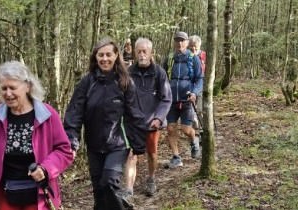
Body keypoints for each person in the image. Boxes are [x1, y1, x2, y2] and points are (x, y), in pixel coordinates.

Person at [0, 61, 74, 210]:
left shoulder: (47, 115)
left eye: (13, 88)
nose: (8, 93)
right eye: (4, 88)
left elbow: (64, 151)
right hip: (5, 191)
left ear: (27, 87)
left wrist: (45, 169)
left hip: (39, 193)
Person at [64, 37, 147, 210]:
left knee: (109, 182)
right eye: (100, 55)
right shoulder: (87, 83)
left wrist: (138, 145)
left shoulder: (125, 82)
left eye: (108, 54)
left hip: (118, 143)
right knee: (99, 192)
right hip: (94, 145)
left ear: (116, 55)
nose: (104, 59)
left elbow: (135, 113)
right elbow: (74, 112)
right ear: (95, 57)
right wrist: (72, 139)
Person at [122, 38, 172, 197]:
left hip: (152, 122)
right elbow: (121, 95)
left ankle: (151, 178)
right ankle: (128, 189)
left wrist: (158, 118)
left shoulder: (159, 73)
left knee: (151, 153)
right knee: (131, 154)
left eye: (145, 51)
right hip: (132, 122)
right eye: (139, 51)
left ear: (151, 53)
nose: (142, 55)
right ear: (135, 53)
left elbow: (166, 98)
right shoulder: (128, 73)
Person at [163, 31, 203, 168]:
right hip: (171, 99)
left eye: (182, 41)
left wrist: (195, 92)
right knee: (170, 128)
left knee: (186, 129)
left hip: (187, 100)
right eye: (177, 40)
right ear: (174, 42)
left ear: (187, 43)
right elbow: (162, 77)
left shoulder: (193, 58)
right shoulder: (169, 59)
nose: (180, 43)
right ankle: (176, 156)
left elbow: (199, 79)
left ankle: (194, 140)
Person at [188, 35, 207, 129]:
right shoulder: (186, 55)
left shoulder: (204, 55)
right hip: (190, 84)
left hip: (201, 84)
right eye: (191, 45)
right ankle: (193, 126)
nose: (193, 48)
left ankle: (200, 128)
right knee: (190, 106)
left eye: (195, 46)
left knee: (200, 108)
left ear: (199, 45)